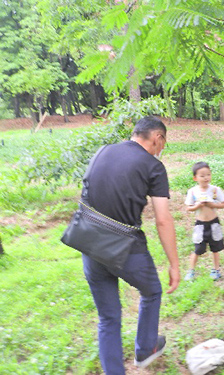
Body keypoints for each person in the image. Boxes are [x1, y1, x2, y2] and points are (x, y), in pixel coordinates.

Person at [81, 116, 180, 374]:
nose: (162, 149)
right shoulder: (153, 166)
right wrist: (174, 264)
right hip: (125, 248)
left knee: (108, 318)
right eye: (163, 143)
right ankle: (145, 348)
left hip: (88, 242)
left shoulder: (103, 151)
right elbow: (163, 220)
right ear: (157, 138)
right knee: (152, 291)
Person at [184, 161, 224, 281]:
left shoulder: (215, 190)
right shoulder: (193, 192)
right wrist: (197, 206)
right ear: (195, 178)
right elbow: (189, 208)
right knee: (197, 249)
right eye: (202, 176)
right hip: (200, 224)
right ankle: (191, 271)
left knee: (215, 248)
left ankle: (216, 269)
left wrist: (211, 204)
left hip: (214, 223)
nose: (206, 178)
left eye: (208, 174)